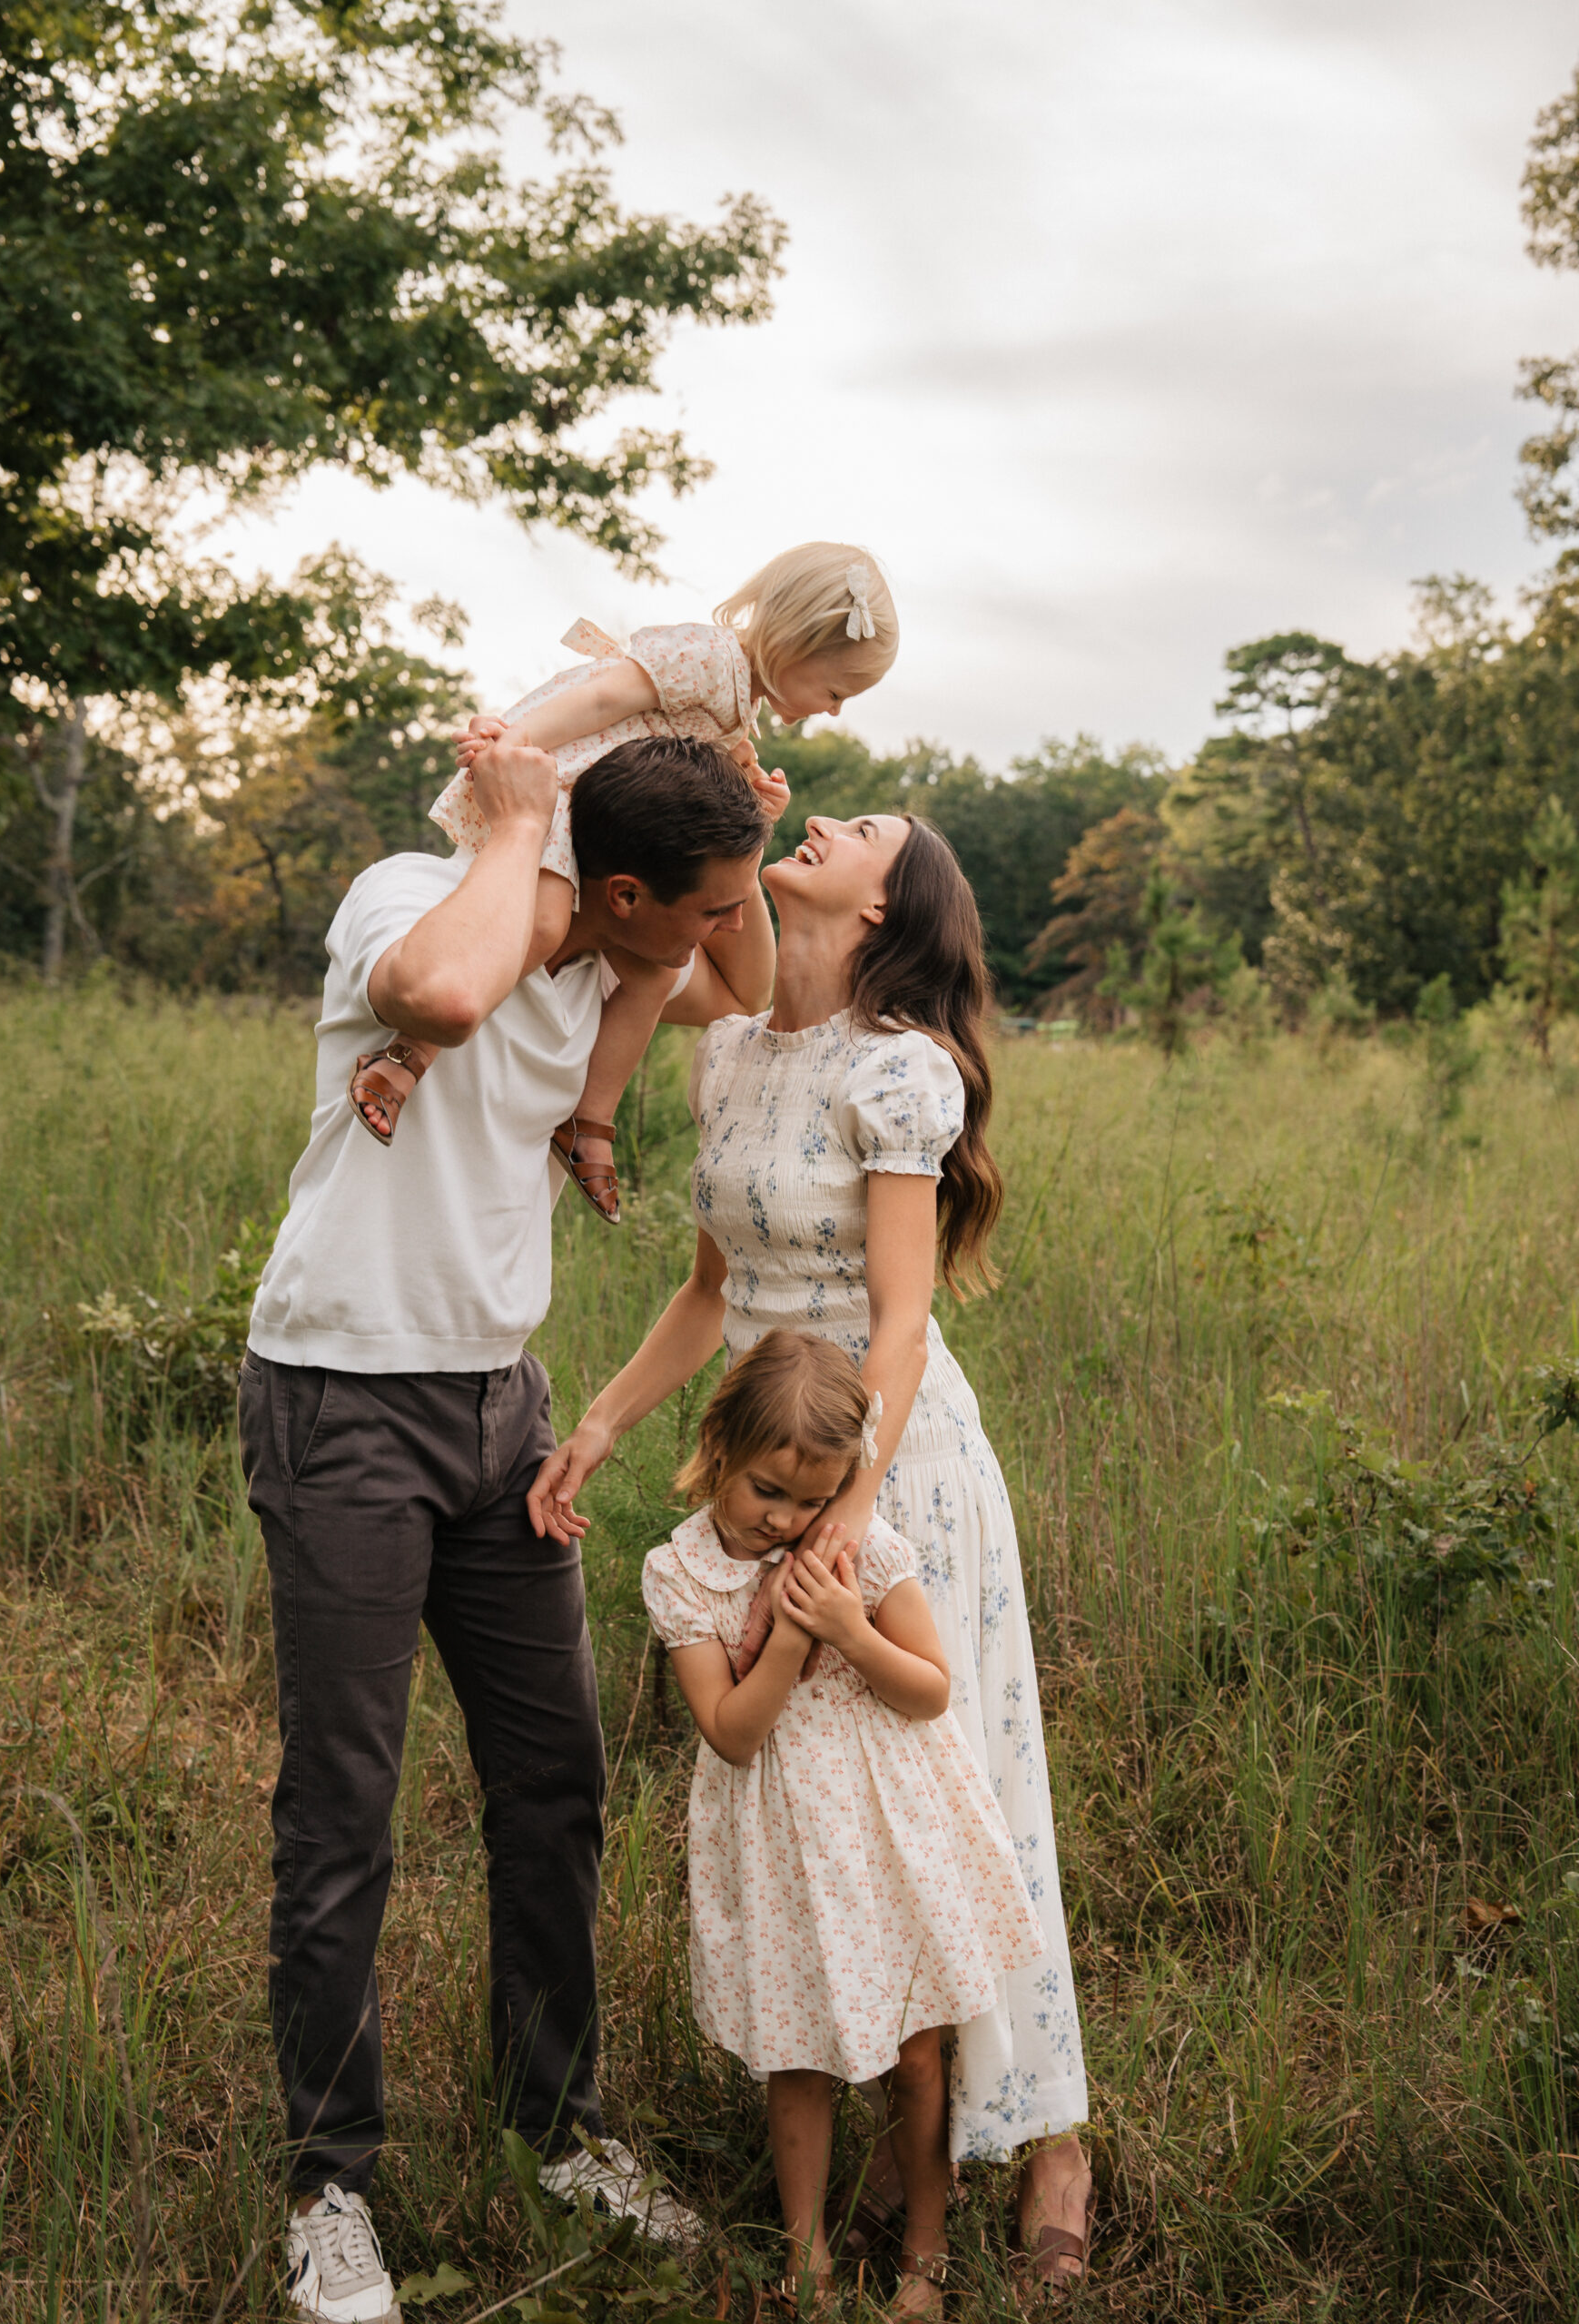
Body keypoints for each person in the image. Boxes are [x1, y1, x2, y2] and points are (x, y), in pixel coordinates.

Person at [241, 731, 775, 2324]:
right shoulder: (410, 897)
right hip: (343, 1396)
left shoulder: (619, 969)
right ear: (621, 890)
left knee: (555, 1780)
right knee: (343, 1806)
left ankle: (558, 2125)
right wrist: (520, 820)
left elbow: (739, 978)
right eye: (703, 901)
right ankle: (330, 2188)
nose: (720, 930)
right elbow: (444, 995)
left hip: (502, 1412)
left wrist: (748, 823)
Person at [529, 812, 1096, 2292]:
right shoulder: (729, 1051)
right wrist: (600, 1426)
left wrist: (857, 1506)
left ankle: (1046, 2132)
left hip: (898, 1470)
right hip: (768, 1467)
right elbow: (710, 1294)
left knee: (958, 1789)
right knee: (823, 1800)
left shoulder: (900, 1069)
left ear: (891, 905)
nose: (828, 819)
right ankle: (881, 2095)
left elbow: (901, 1322)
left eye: (866, 831)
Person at [642, 1329, 1045, 2319]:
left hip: (888, 1830)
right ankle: (806, 2257)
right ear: (720, 1447)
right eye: (767, 1491)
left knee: (917, 2047)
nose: (788, 1521)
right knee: (799, 2054)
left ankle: (925, 2250)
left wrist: (850, 1629)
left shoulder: (857, 1552)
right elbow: (733, 1733)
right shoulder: (681, 1574)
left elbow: (930, 1690)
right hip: (781, 1847)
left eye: (813, 1499)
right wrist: (790, 1634)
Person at [347, 543, 899, 1226]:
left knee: (654, 970)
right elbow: (604, 696)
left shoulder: (737, 715)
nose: (835, 712)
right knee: (542, 924)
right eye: (837, 692)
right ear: (796, 644)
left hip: (615, 825)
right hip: (565, 790)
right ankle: (408, 1052)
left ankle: (590, 1119)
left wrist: (754, 813)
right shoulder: (709, 657)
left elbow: (713, 874)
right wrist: (514, 745)